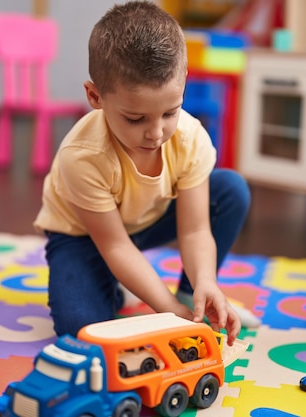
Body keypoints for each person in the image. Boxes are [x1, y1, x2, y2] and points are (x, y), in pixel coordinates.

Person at [33, 1, 260, 344]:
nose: (156, 133)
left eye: (170, 112)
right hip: (84, 236)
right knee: (80, 330)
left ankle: (191, 297)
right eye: (135, 119)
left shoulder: (189, 136)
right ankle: (116, 287)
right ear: (96, 96)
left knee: (230, 189)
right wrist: (166, 310)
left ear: (183, 81)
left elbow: (196, 231)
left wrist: (205, 283)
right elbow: (115, 246)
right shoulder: (82, 156)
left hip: (144, 221)